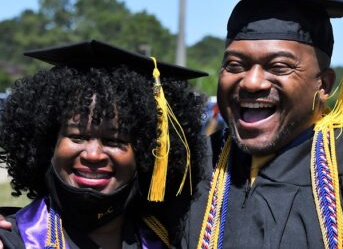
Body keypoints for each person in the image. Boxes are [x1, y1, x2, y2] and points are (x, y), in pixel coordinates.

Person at [182, 0, 343, 248]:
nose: (252, 82)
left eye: (279, 67)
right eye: (236, 65)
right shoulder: (193, 167)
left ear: (324, 85)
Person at [0, 39, 207, 248]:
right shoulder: (14, 241)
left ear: (148, 153)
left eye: (114, 140)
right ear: (48, 143)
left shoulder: (169, 241)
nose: (93, 154)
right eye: (77, 137)